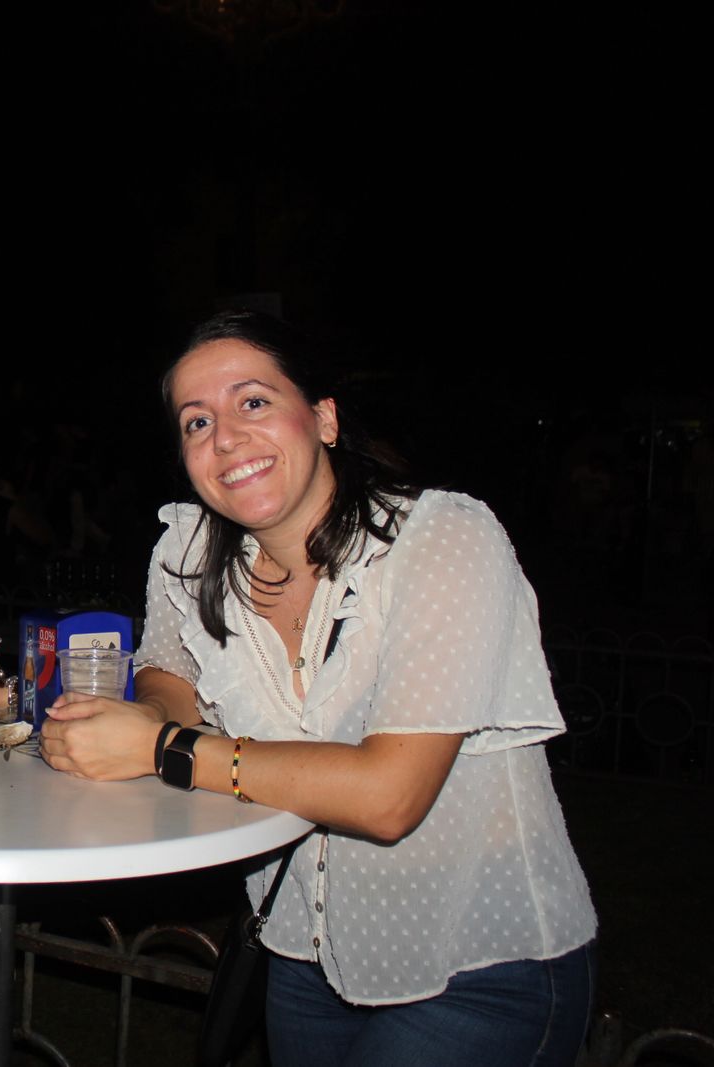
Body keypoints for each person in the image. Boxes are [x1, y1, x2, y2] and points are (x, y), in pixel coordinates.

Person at [38, 310, 597, 1066]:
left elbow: (388, 796)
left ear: (324, 418)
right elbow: (171, 676)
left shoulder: (441, 541)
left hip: (478, 961)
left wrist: (166, 748)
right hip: (302, 957)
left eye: (254, 402)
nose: (225, 435)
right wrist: (138, 718)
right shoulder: (191, 550)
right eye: (196, 420)